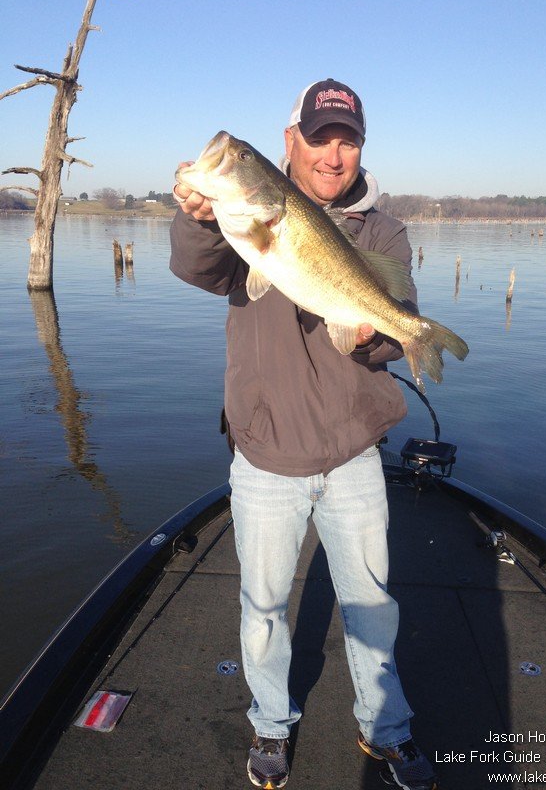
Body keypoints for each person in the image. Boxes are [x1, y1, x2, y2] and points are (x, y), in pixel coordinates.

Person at [170, 79, 437, 790]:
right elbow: (200, 267)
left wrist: (379, 336)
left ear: (361, 150)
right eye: (320, 139)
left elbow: (392, 323)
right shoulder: (247, 220)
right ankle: (269, 720)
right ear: (290, 142)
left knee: (373, 606)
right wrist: (199, 217)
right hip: (266, 449)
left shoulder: (382, 231)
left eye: (347, 141)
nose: (333, 155)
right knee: (262, 608)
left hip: (353, 449)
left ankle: (385, 727)